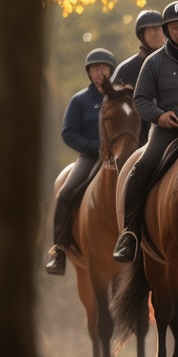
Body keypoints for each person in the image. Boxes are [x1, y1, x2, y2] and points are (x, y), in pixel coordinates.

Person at [111, 0, 178, 263]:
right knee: (142, 167)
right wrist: (159, 117)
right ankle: (129, 234)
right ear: (167, 31)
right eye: (174, 27)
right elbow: (140, 99)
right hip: (166, 131)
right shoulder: (153, 62)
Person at [43, 47, 118, 275]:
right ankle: (59, 251)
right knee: (65, 194)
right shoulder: (80, 101)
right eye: (95, 68)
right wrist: (95, 147)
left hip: (119, 157)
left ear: (111, 70)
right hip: (90, 157)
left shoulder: (121, 97)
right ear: (89, 72)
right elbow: (68, 133)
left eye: (104, 67)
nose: (100, 72)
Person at [113, 9, 165, 144]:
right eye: (150, 30)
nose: (155, 33)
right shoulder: (126, 70)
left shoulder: (177, 63)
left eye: (158, 29)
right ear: (142, 35)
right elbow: (114, 105)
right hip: (136, 136)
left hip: (173, 128)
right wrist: (132, 113)